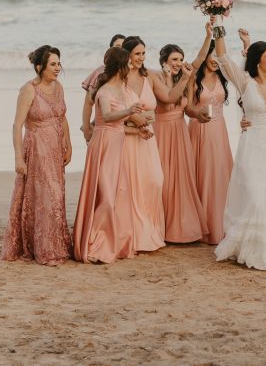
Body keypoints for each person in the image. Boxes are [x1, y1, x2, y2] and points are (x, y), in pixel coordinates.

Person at [212, 28, 266, 272]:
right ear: (258, 60)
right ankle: (249, 246)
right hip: (253, 146)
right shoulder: (244, 81)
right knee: (255, 195)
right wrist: (217, 16)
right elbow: (223, 57)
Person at [1, 45, 72, 266]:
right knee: (45, 198)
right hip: (37, 148)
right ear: (40, 66)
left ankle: (55, 244)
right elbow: (17, 125)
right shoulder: (29, 89)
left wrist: (68, 144)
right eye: (53, 64)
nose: (58, 68)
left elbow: (62, 117)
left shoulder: (59, 87)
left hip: (55, 149)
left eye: (59, 63)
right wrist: (18, 158)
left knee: (56, 196)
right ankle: (44, 249)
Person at [73, 47, 143, 263]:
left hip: (118, 142)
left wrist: (139, 126)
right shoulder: (104, 91)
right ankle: (96, 243)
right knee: (104, 195)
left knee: (118, 192)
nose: (131, 66)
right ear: (120, 66)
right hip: (103, 143)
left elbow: (121, 123)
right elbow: (109, 116)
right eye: (128, 63)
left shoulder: (122, 88)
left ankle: (116, 242)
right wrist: (130, 111)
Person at [119, 36, 181, 253]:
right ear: (127, 55)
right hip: (127, 139)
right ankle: (133, 236)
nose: (141, 58)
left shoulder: (151, 76)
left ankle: (149, 233)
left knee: (154, 181)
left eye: (143, 53)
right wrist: (132, 119)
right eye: (137, 53)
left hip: (148, 139)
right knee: (131, 186)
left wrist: (186, 78)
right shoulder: (119, 79)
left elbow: (170, 97)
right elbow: (109, 111)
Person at [154, 26, 213, 243]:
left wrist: (199, 114)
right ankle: (160, 227)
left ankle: (181, 228)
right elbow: (168, 99)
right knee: (163, 179)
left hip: (180, 132)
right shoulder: (157, 79)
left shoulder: (187, 77)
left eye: (180, 59)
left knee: (182, 179)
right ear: (164, 60)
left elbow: (188, 109)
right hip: (161, 132)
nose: (178, 63)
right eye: (174, 59)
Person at [186, 37, 233, 245]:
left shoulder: (223, 77)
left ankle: (221, 225)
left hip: (220, 131)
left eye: (218, 56)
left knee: (221, 175)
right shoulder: (193, 78)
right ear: (205, 56)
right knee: (203, 175)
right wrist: (198, 113)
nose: (215, 60)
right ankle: (204, 227)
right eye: (212, 55)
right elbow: (187, 108)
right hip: (200, 129)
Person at [81, 34, 125, 143]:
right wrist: (87, 130)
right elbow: (88, 103)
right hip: (102, 129)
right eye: (117, 46)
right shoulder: (99, 72)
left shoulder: (126, 73)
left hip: (122, 128)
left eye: (124, 47)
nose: (121, 50)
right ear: (110, 49)